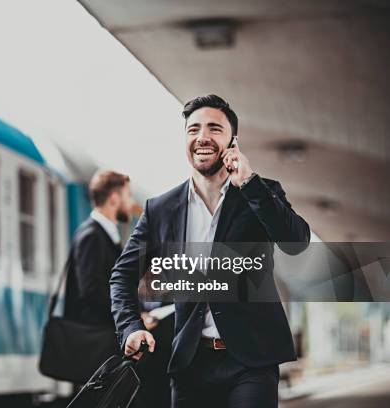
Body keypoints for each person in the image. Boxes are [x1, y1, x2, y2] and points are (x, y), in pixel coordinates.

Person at [110, 95, 310, 408]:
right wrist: (130, 328)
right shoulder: (160, 209)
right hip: (191, 365)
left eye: (214, 128)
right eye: (193, 130)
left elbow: (296, 242)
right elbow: (122, 275)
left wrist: (248, 182)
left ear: (233, 140)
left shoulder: (260, 192)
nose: (202, 136)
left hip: (251, 363)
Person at [64, 170, 133, 327]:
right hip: (92, 340)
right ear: (114, 199)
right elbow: (91, 292)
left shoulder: (102, 234)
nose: (131, 202)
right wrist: (128, 317)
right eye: (128, 195)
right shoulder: (91, 236)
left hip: (99, 336)